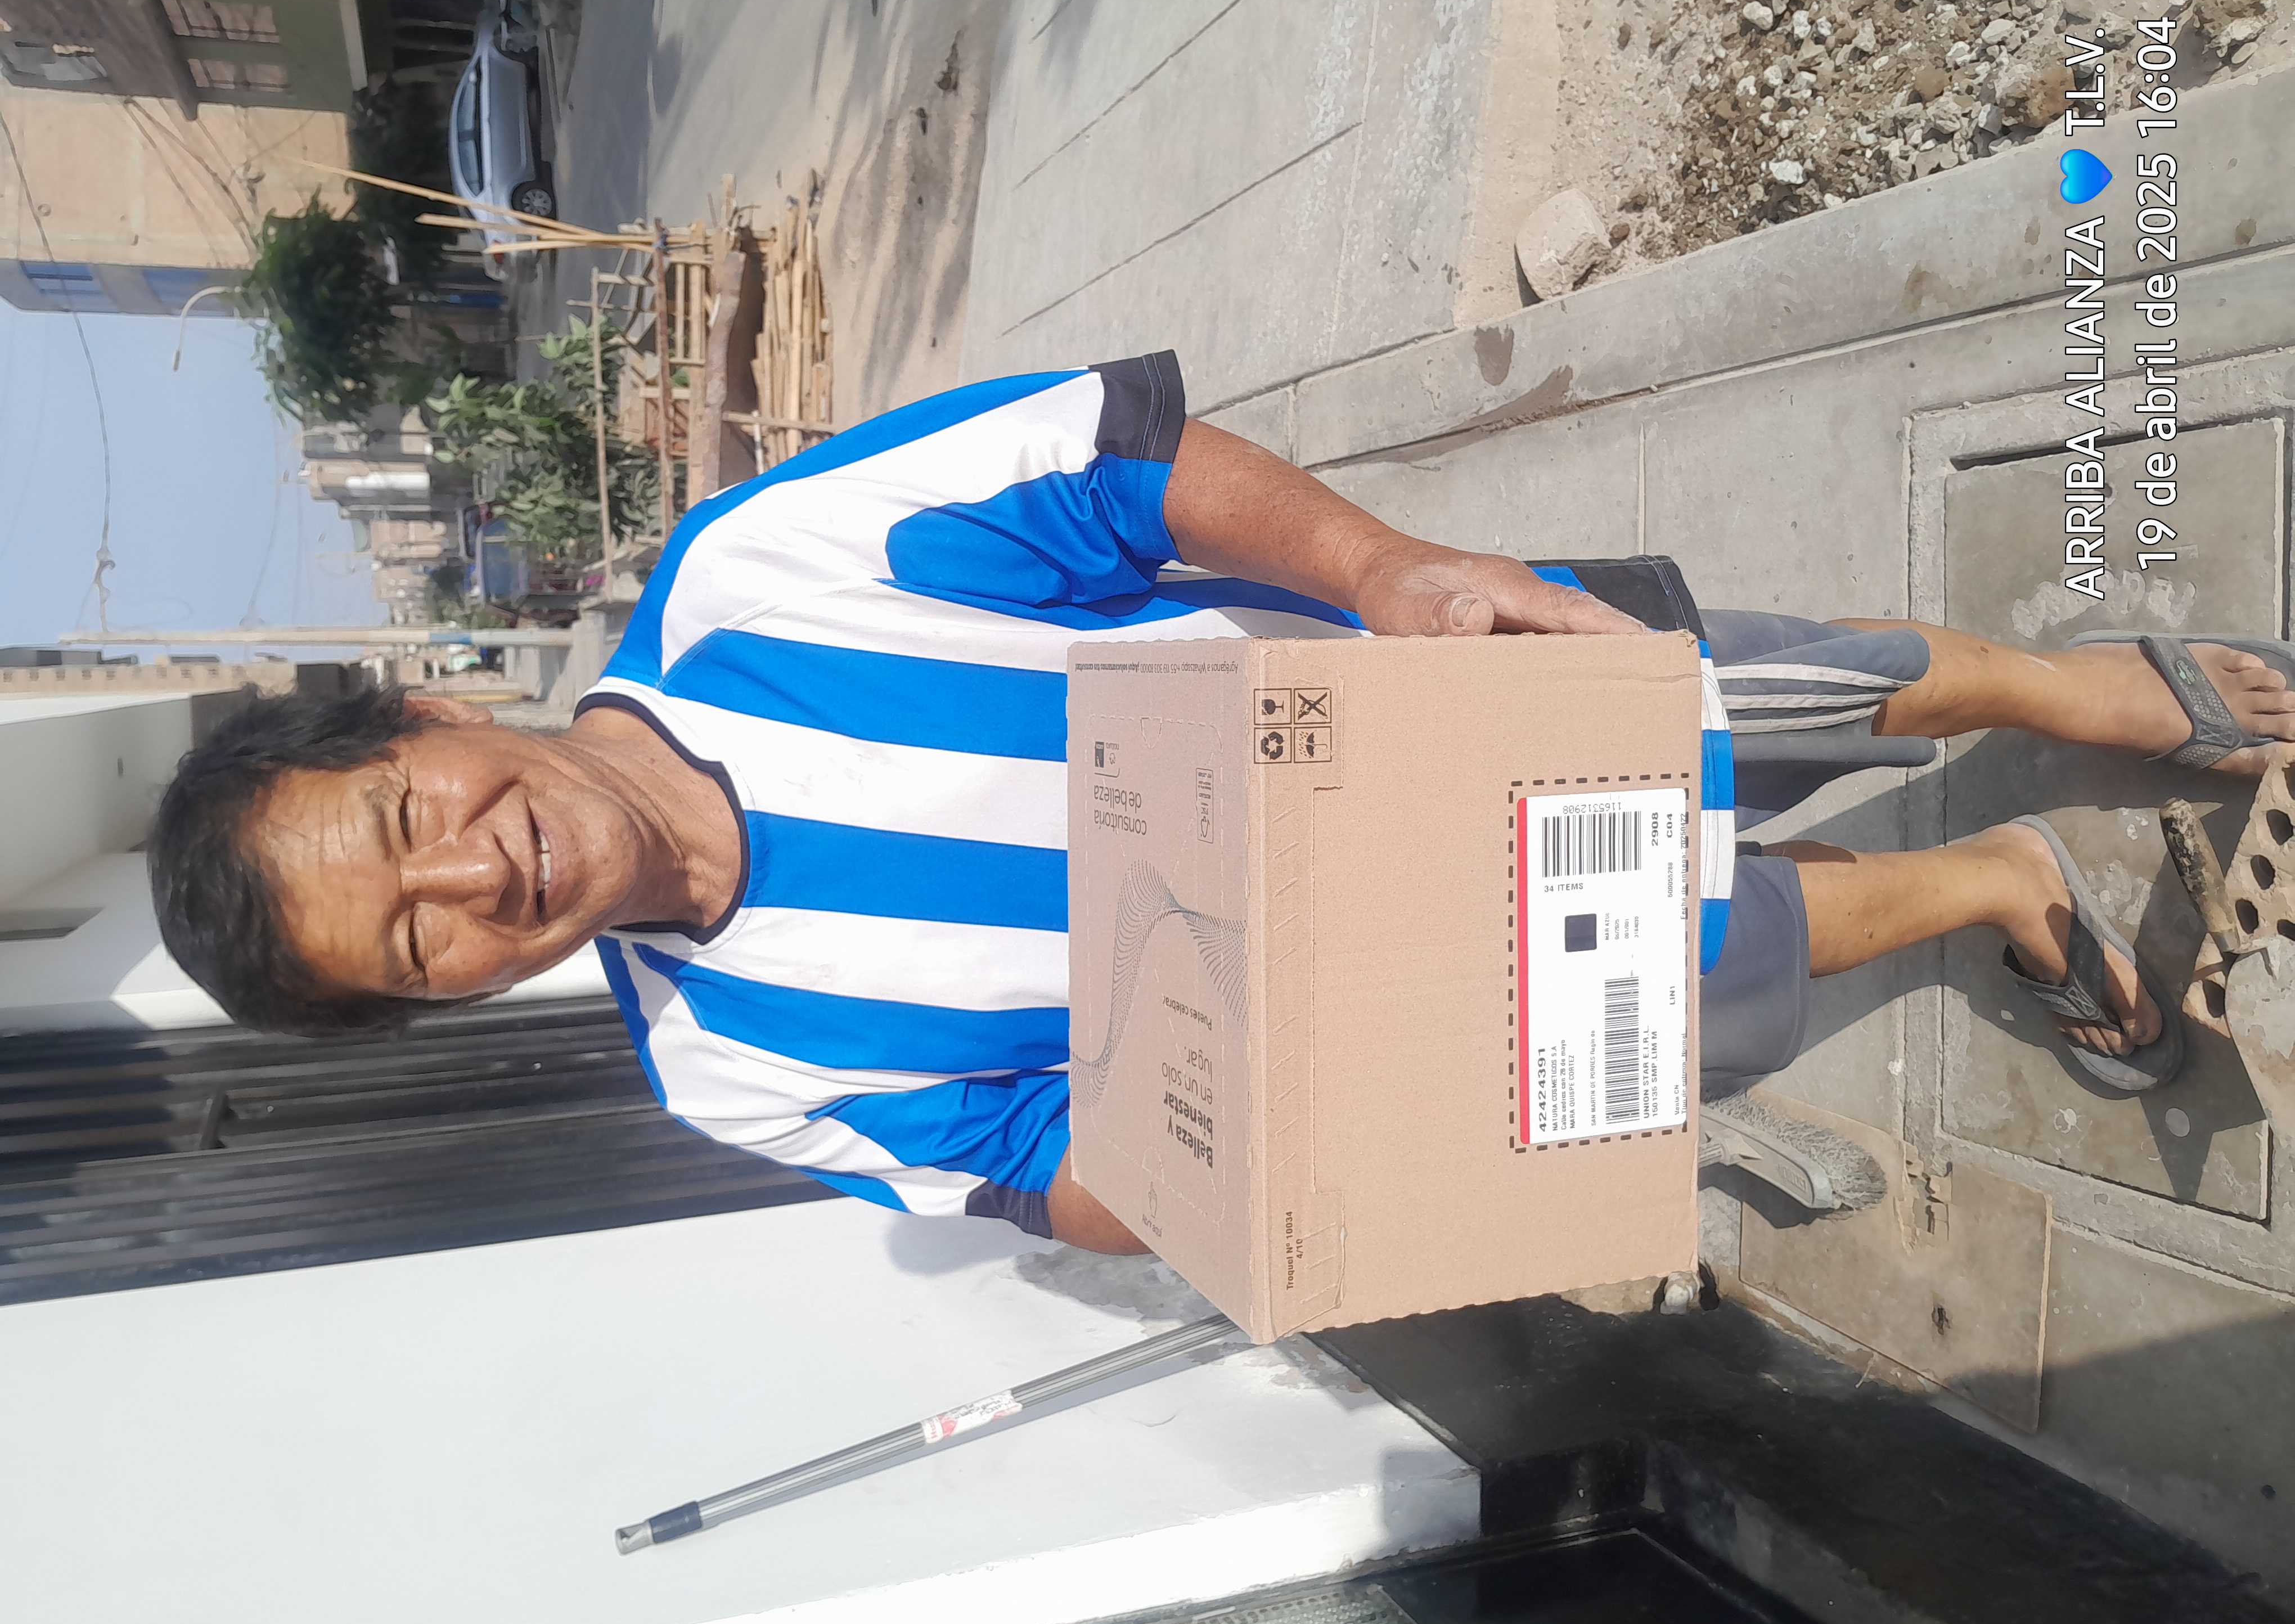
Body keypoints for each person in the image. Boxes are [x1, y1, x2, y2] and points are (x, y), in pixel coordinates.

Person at [151, 353, 2295, 1253]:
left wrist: (1391, 571)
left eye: (408, 818)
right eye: (416, 939)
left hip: (1432, 696)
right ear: (439, 1000)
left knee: (1776, 687)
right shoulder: (738, 1068)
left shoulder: (754, 579)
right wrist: (1245, 1165)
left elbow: (1118, 462)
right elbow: (1040, 1175)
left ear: (420, 712)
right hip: (1417, 1000)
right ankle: (1996, 877)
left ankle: (2059, 683)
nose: (476, 871)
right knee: (1728, 954)